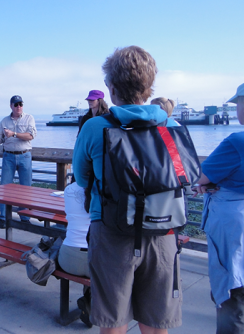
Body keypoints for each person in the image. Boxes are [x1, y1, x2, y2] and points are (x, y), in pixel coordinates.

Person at [73, 46, 182, 333]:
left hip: (112, 231)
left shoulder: (95, 127)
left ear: (111, 88)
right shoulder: (171, 125)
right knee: (157, 323)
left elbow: (82, 179)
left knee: (113, 321)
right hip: (163, 231)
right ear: (149, 87)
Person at [193, 83, 244, 333]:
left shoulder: (237, 140)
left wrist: (210, 181)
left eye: (239, 104)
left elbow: (200, 177)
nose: (237, 110)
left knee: (230, 291)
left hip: (233, 225)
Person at [0, 95, 37, 228]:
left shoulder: (29, 118)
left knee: (25, 189)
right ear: (11, 106)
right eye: (16, 104)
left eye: (20, 104)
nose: (19, 106)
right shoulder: (4, 121)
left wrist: (13, 134)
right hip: (8, 157)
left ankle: (25, 218)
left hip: (25, 156)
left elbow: (31, 136)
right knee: (5, 188)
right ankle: (3, 218)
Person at [57, 182, 92, 327]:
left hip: (67, 259)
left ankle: (89, 302)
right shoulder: (105, 188)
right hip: (94, 261)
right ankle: (90, 302)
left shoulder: (68, 189)